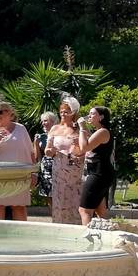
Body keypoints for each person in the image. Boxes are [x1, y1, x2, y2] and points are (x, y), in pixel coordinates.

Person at [0, 102, 34, 220]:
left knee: (19, 207)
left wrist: (34, 173)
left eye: (0, 111)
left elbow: (30, 152)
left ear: (10, 114)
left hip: (19, 175)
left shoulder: (21, 128)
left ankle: (21, 237)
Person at [44, 96, 84, 225]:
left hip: (75, 169)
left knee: (75, 199)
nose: (63, 114)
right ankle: (58, 225)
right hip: (59, 169)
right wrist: (53, 151)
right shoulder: (55, 129)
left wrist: (78, 144)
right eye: (61, 111)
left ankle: (77, 227)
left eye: (66, 112)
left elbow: (87, 147)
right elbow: (47, 151)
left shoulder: (79, 129)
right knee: (60, 198)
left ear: (73, 113)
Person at [78, 106, 115, 225]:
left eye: (92, 114)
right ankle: (107, 236)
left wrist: (82, 128)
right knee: (101, 211)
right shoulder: (100, 131)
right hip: (101, 173)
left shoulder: (103, 132)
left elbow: (84, 147)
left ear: (101, 117)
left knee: (84, 210)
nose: (89, 116)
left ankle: (87, 239)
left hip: (99, 174)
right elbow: (90, 142)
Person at [34, 111, 59, 208]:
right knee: (48, 195)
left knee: (59, 194)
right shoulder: (42, 137)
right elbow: (37, 157)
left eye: (45, 121)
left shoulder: (59, 135)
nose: (43, 123)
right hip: (45, 170)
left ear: (53, 122)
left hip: (57, 167)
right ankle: (53, 219)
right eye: (42, 121)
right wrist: (36, 144)